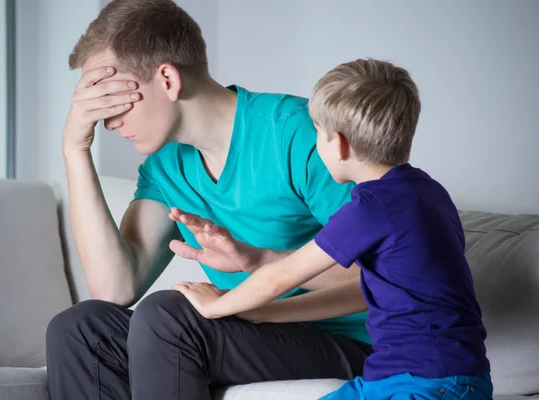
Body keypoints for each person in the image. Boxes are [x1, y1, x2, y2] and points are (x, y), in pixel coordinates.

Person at [45, 1, 374, 399]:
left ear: (167, 79)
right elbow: (115, 290)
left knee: (167, 316)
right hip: (252, 331)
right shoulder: (165, 165)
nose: (108, 122)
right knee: (80, 328)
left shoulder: (298, 135)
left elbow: (381, 274)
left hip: (349, 342)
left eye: (112, 99)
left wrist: (259, 259)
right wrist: (74, 150)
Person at [172, 59, 493, 399]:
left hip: (431, 381)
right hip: (407, 377)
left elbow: (280, 276)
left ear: (337, 143)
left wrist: (214, 308)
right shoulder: (428, 192)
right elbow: (369, 289)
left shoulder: (370, 208)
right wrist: (260, 313)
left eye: (317, 132)